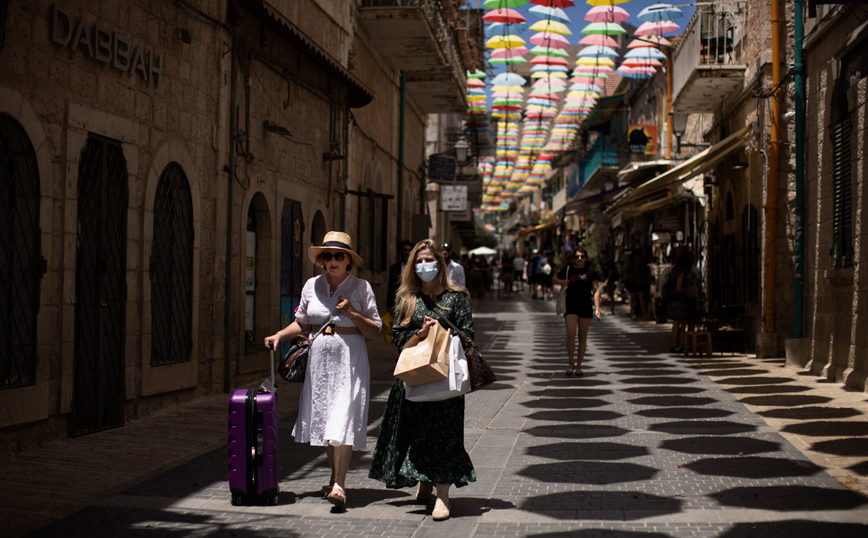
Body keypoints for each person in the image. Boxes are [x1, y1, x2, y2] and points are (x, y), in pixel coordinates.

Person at [264, 231, 382, 511]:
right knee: (328, 420)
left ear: (348, 260)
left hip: (349, 361)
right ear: (321, 260)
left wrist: (353, 313)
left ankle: (340, 485)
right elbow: (302, 322)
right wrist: (280, 335)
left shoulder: (361, 288)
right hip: (320, 363)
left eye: (338, 255)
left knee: (342, 417)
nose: (332, 260)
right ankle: (334, 477)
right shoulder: (311, 286)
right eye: (326, 255)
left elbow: (375, 331)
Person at [369, 239, 475, 521]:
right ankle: (423, 479)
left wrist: (444, 332)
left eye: (430, 260)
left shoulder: (457, 297)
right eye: (419, 261)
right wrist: (419, 334)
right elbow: (397, 339)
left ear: (440, 264)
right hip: (413, 375)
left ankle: (443, 495)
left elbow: (469, 336)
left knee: (444, 434)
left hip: (444, 376)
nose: (424, 266)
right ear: (411, 265)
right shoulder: (406, 298)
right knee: (415, 432)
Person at [552, 246, 602, 376]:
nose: (579, 259)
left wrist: (598, 308)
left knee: (582, 337)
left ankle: (579, 365)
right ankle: (571, 362)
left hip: (585, 306)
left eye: (582, 256)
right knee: (570, 334)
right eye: (577, 256)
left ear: (585, 258)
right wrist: (562, 282)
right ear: (573, 258)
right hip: (570, 306)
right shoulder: (568, 269)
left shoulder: (591, 272)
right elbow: (553, 278)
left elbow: (596, 290)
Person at [667, 250, 701, 352]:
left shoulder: (674, 270)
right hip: (681, 300)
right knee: (682, 323)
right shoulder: (683, 272)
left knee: (679, 322)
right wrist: (689, 289)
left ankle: (679, 344)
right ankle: (680, 344)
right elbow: (679, 288)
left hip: (674, 300)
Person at [387, 240, 413, 312]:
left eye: (409, 250)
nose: (407, 252)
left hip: (412, 301)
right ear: (401, 251)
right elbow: (391, 288)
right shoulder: (395, 268)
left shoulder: (415, 268)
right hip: (398, 302)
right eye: (405, 250)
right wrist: (389, 305)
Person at [598, 249, 618, 315]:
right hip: (603, 280)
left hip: (610, 281)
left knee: (610, 295)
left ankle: (611, 310)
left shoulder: (610, 262)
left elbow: (610, 272)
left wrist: (607, 281)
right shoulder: (602, 262)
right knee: (599, 294)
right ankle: (600, 309)